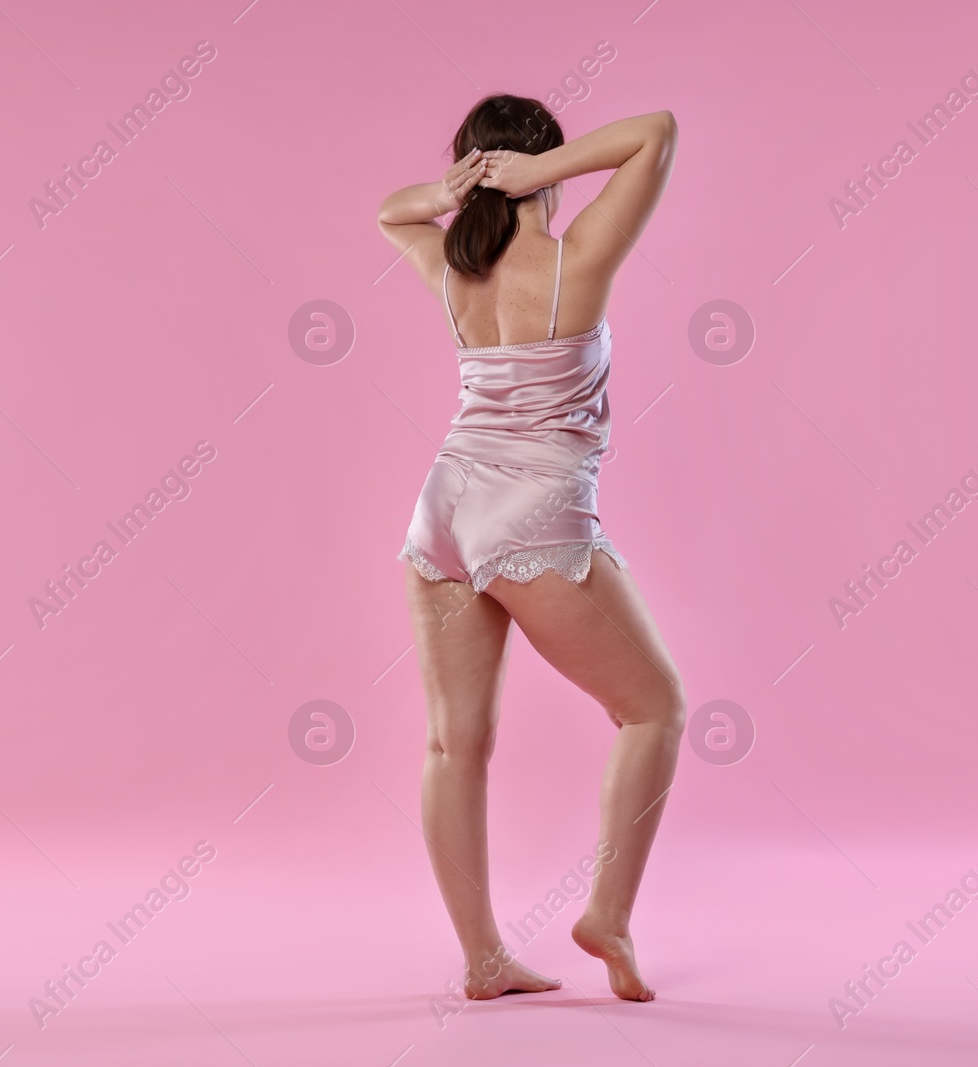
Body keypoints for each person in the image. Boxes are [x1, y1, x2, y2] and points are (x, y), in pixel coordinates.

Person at [376, 95, 681, 1003]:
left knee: (451, 744)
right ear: (539, 165)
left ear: (473, 170)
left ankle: (483, 959)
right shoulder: (575, 259)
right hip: (532, 513)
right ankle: (608, 915)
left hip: (444, 507)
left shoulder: (450, 266)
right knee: (654, 709)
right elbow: (655, 131)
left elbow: (392, 211)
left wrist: (449, 188)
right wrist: (539, 174)